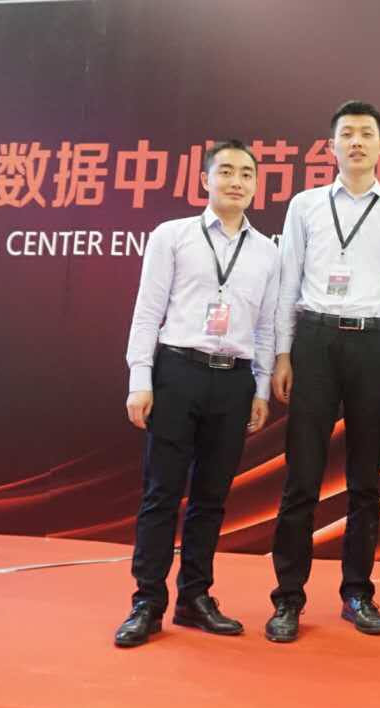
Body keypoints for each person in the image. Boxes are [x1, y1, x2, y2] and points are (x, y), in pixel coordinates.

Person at [114, 140, 279, 648]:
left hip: (233, 380)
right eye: (225, 171)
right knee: (161, 493)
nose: (236, 181)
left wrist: (261, 388)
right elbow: (148, 312)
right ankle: (147, 602)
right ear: (205, 180)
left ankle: (194, 597)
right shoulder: (173, 236)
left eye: (246, 174)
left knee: (211, 497)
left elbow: (266, 327)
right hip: (177, 372)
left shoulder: (267, 251)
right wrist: (140, 379)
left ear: (256, 185)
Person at [265, 101, 380, 642]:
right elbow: (287, 282)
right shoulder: (305, 206)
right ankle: (288, 598)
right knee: (302, 478)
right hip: (315, 340)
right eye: (346, 134)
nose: (356, 142)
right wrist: (283, 354)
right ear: (330, 146)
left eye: (366, 134)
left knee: (365, 481)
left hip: (374, 344)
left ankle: (357, 593)